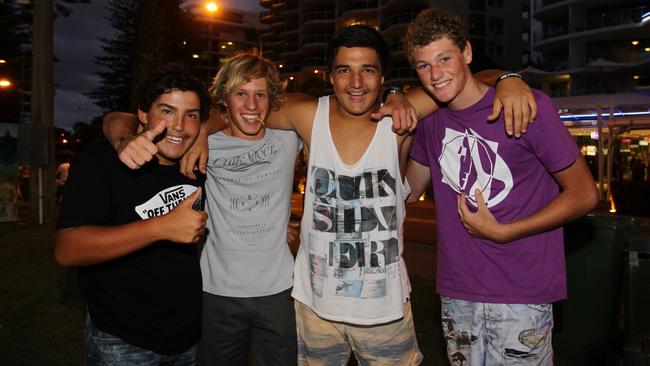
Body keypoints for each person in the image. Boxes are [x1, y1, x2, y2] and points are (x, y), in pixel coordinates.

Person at [178, 25, 537, 365]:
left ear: (382, 77)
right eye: (344, 70)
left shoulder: (399, 116)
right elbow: (242, 107)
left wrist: (510, 79)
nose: (356, 82)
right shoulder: (306, 116)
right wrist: (203, 129)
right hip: (315, 310)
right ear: (330, 76)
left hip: (385, 312)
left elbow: (462, 81)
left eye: (368, 70)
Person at [404, 8, 599, 365]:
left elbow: (585, 195)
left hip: (521, 294)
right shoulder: (431, 126)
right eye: (423, 66)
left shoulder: (526, 107)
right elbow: (407, 191)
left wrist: (506, 232)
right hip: (456, 292)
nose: (436, 74)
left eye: (444, 58)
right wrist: (397, 122)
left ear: (466, 53)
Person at [104, 52, 302, 366]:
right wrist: (125, 139)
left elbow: (314, 104)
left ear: (271, 98)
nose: (251, 105)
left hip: (279, 290)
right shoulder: (199, 140)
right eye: (241, 93)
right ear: (224, 97)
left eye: (260, 94)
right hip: (215, 292)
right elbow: (117, 118)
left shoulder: (289, 137)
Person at [55, 64, 211, 365]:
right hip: (122, 338)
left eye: (190, 115)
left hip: (186, 334)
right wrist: (160, 227)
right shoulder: (102, 160)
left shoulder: (194, 162)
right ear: (142, 114)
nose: (179, 126)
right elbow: (67, 249)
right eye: (167, 111)